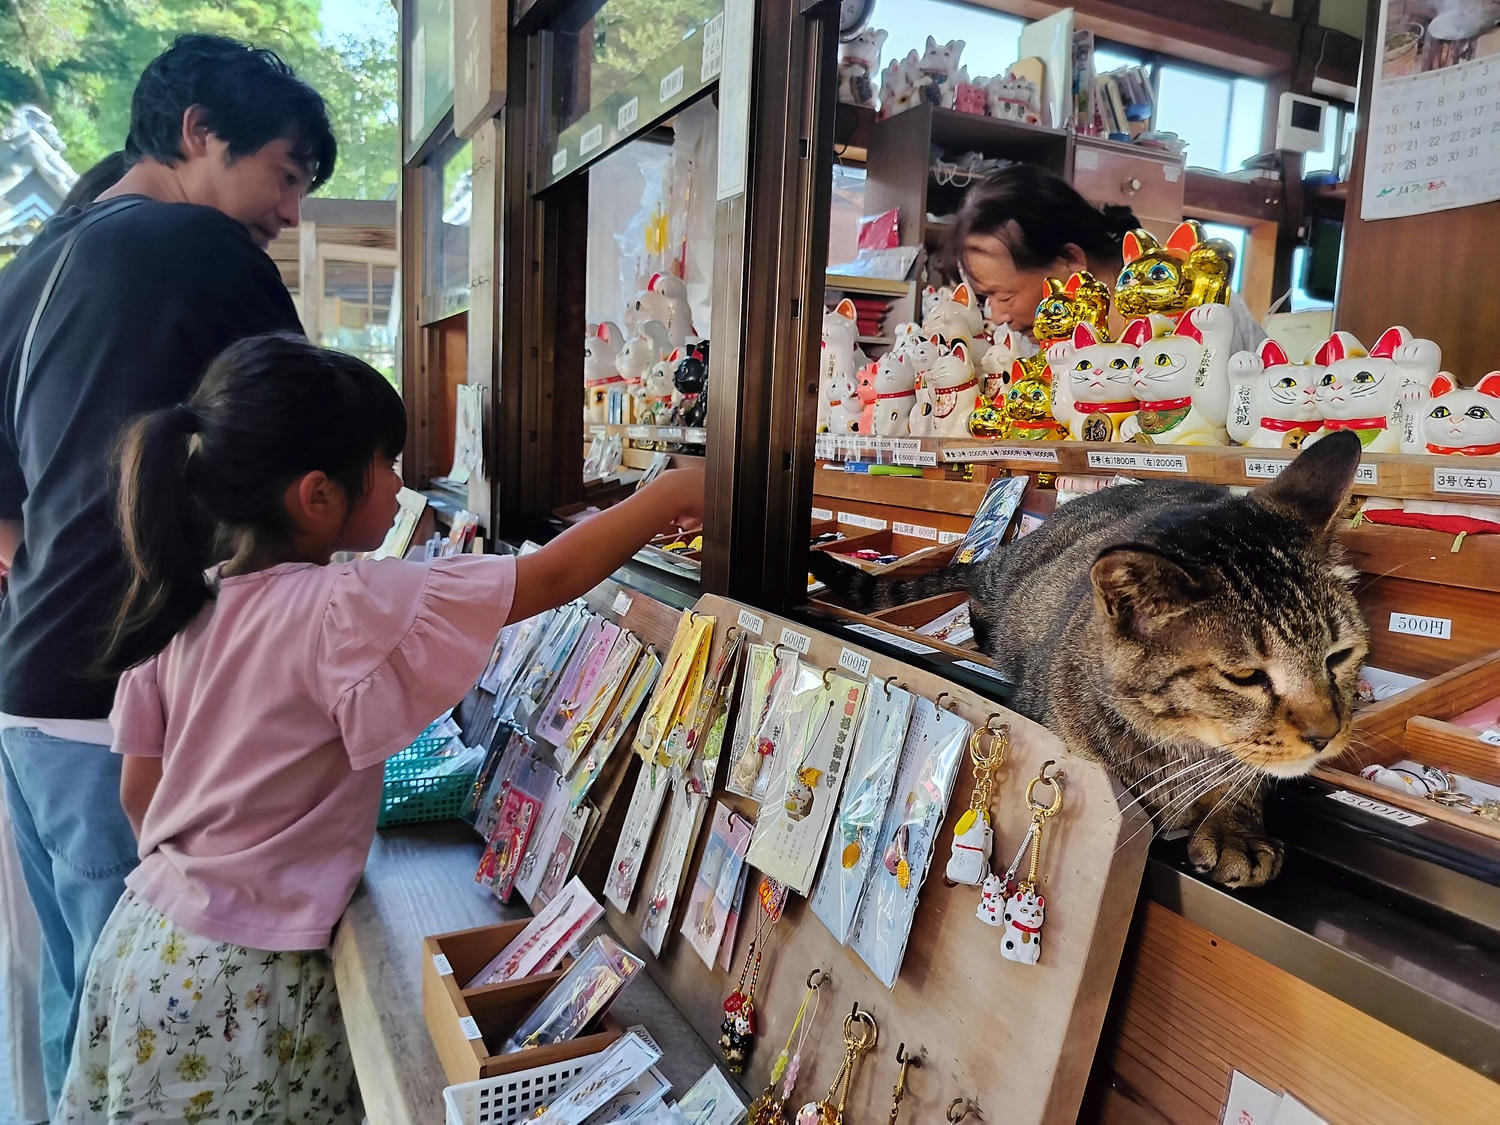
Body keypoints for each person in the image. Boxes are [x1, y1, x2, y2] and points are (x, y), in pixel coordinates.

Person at [55, 333, 704, 1120]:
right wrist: (670, 495)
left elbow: (140, 794)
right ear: (317, 495)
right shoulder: (342, 605)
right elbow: (549, 576)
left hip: (144, 945)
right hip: (248, 986)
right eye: (387, 462)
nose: (401, 483)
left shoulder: (185, 601)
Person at [0, 34, 334, 1105]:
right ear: (199, 132)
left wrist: (64, 571)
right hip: (119, 709)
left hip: (28, 700)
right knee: (140, 1017)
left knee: (80, 995)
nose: (290, 212)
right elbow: (309, 430)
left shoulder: (31, 267)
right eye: (286, 174)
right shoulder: (201, 249)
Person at [0, 147, 131, 1125]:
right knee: (99, 962)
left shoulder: (31, 309)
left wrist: (35, 563)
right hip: (77, 710)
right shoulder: (94, 314)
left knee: (66, 958)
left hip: (30, 702)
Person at [949, 163, 1267, 353]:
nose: (997, 316)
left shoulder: (1197, 310)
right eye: (986, 298)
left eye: (1005, 296)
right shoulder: (1037, 340)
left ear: (1070, 260)